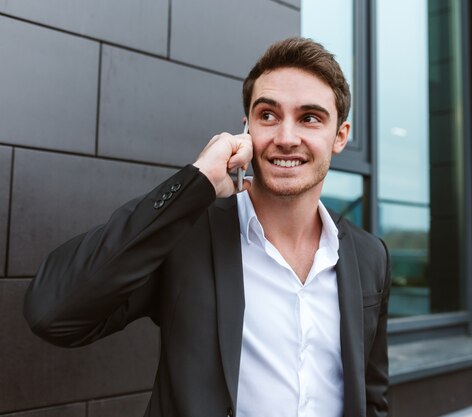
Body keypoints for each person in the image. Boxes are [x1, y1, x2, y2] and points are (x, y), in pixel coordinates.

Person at [24, 37, 390, 417]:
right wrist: (195, 183)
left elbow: (372, 395)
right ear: (246, 128)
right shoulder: (187, 237)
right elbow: (52, 313)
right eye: (268, 115)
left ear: (340, 136)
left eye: (309, 118)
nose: (285, 138)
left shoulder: (370, 256)